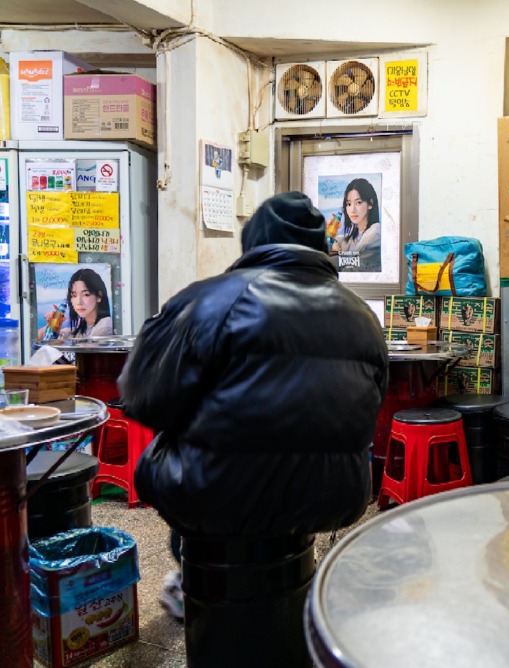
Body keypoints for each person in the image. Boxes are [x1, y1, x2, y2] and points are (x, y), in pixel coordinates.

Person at [118, 192, 388, 662]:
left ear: (254, 242)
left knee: (186, 454)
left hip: (218, 497)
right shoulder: (363, 315)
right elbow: (370, 404)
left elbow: (140, 396)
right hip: (333, 497)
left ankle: (187, 571)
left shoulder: (210, 299)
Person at [37, 268, 113, 341]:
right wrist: (52, 324)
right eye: (74, 295)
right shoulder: (81, 328)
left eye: (86, 294)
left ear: (99, 296)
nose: (79, 302)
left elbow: (88, 350)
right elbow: (36, 339)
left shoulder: (105, 326)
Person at [329, 177, 382, 272]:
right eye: (349, 204)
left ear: (370, 204)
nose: (352, 210)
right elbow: (329, 264)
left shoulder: (375, 234)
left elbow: (351, 272)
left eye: (358, 202)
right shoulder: (347, 240)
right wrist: (330, 234)